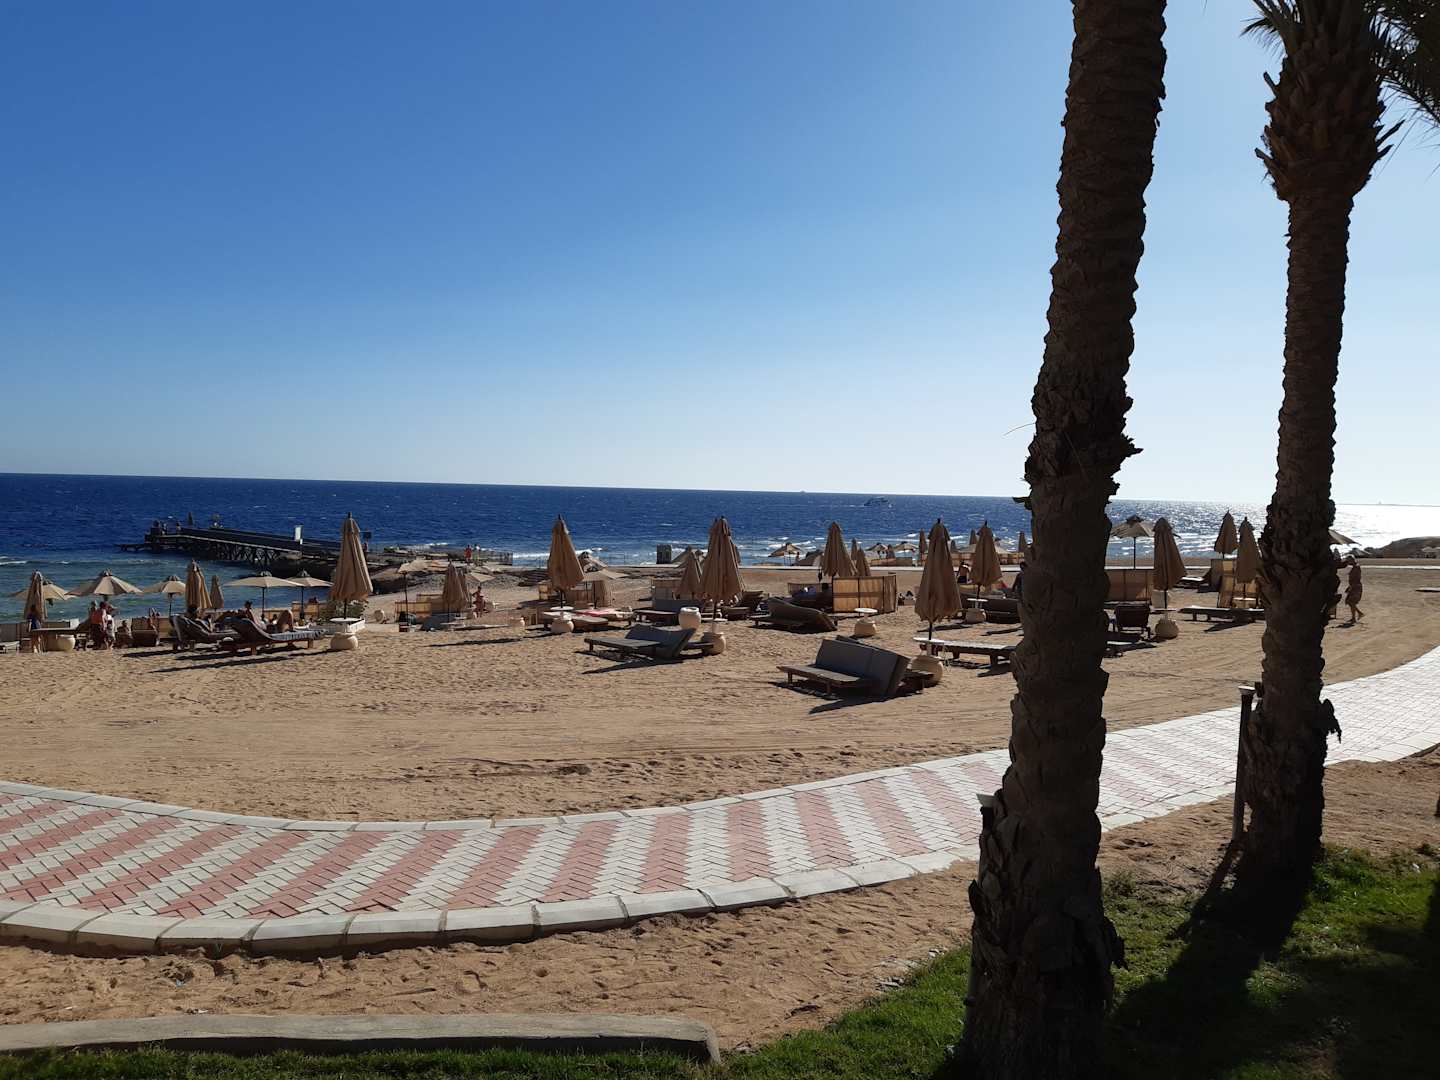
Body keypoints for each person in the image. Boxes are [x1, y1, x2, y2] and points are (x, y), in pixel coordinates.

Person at [1344, 555, 1364, 624]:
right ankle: (1356, 616)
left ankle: (1356, 616)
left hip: (1356, 587)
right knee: (1350, 602)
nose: (1348, 562)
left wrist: (1351, 587)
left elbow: (1356, 579)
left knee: (1351, 602)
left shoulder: (1356, 567)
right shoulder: (1355, 567)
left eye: (1348, 561)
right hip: (1353, 586)